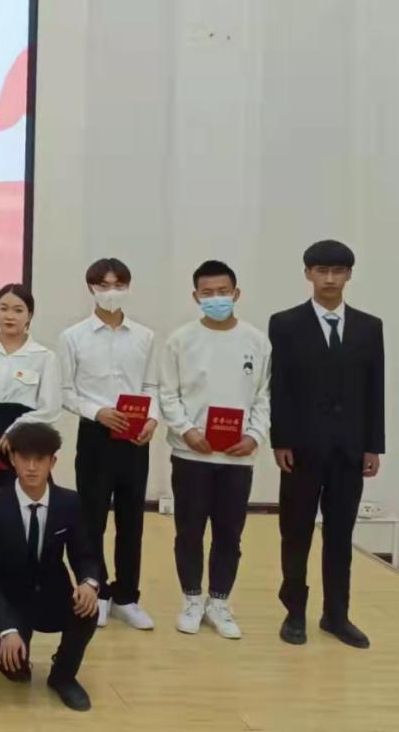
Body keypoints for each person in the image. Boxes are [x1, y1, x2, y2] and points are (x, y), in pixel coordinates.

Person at [270, 240, 384, 650]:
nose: (330, 279)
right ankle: (294, 612)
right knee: (295, 533)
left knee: (340, 536)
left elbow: (375, 388)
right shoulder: (285, 323)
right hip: (301, 449)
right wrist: (280, 439)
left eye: (338, 271)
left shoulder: (369, 327)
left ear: (349, 275)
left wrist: (373, 445)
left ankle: (336, 615)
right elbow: (279, 386)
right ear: (308, 274)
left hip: (349, 451)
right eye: (322, 271)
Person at [160, 260, 271, 640]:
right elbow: (168, 394)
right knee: (189, 531)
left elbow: (264, 395)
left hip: (238, 457)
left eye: (223, 292)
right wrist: (187, 431)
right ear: (196, 297)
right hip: (191, 454)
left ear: (236, 293)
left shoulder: (256, 341)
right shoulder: (180, 340)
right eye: (207, 293)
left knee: (229, 533)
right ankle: (192, 599)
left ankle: (219, 602)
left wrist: (254, 435)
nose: (216, 298)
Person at [58, 257, 158, 630]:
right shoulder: (73, 337)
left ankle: (127, 597)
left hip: (135, 436)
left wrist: (152, 419)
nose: (111, 292)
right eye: (104, 285)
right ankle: (97, 592)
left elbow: (151, 385)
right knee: (92, 518)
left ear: (128, 287)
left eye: (118, 285)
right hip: (95, 435)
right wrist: (97, 412)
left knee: (132, 519)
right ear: (91, 288)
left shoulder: (145, 336)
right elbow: (66, 391)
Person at [0, 422, 101, 712]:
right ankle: (14, 639)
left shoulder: (70, 502)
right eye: (24, 458)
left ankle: (63, 675)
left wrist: (89, 583)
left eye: (40, 459)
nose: (31, 467)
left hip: (53, 595)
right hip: (12, 600)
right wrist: (6, 628)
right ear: (13, 459)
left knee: (88, 609)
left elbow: (86, 555)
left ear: (52, 462)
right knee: (14, 671)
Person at [0, 283, 62, 492]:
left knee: (27, 501)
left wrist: (17, 431)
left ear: (29, 315)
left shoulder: (44, 356)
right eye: (3, 308)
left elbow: (50, 408)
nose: (9, 316)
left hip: (26, 439)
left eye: (18, 310)